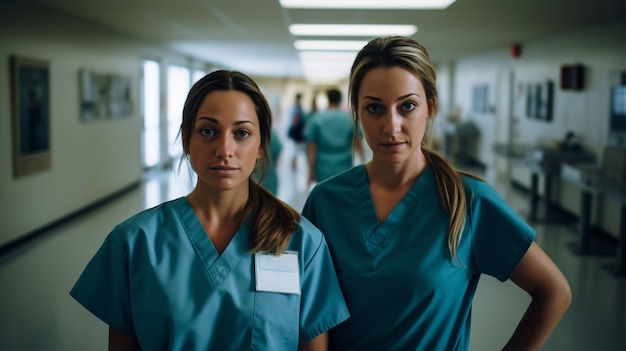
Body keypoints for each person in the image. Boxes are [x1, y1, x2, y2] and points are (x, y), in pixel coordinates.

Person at [302, 36, 571, 351]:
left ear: (430, 107)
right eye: (374, 108)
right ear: (357, 112)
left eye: (408, 106)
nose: (392, 125)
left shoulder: (468, 201)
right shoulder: (326, 202)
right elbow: (311, 310)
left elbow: (554, 292)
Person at [70, 70, 349, 351]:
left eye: (242, 133)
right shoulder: (135, 242)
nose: (224, 149)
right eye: (208, 131)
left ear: (262, 145)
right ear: (186, 140)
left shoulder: (302, 242)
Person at [304, 88, 364, 184]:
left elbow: (311, 148)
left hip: (323, 169)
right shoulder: (349, 119)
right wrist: (363, 162)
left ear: (328, 99)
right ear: (340, 99)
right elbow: (358, 143)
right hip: (344, 168)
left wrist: (311, 171)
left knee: (325, 196)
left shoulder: (317, 119)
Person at [288, 92, 305, 170]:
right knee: (295, 148)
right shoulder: (296, 107)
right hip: (296, 130)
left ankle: (294, 163)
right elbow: (296, 119)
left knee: (295, 148)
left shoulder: (297, 107)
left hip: (296, 129)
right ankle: (293, 164)